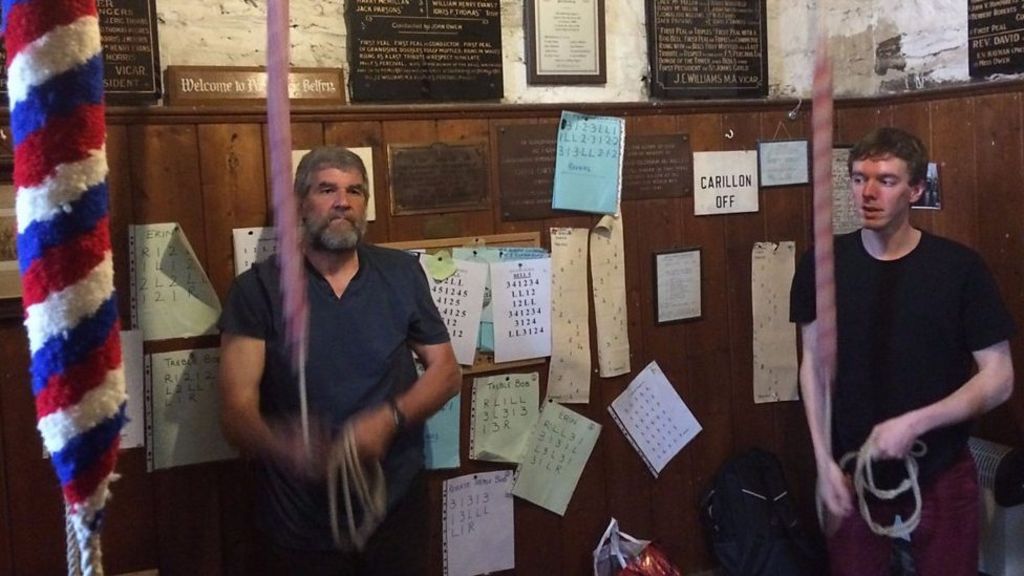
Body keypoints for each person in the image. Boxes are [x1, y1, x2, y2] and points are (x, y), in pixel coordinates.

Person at [218, 146, 461, 575]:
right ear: (298, 204)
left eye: (355, 191)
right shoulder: (257, 290)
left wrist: (388, 420)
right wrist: (287, 445)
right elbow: (235, 413)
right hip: (301, 523)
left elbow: (445, 372)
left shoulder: (400, 273)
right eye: (327, 189)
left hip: (394, 508)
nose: (343, 202)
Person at [790, 127, 1015, 575]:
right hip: (853, 470)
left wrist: (914, 422)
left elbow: (999, 378)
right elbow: (812, 367)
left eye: (886, 181)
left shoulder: (958, 269)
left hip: (940, 469)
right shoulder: (823, 265)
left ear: (915, 189)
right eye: (858, 178)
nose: (868, 193)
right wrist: (822, 462)